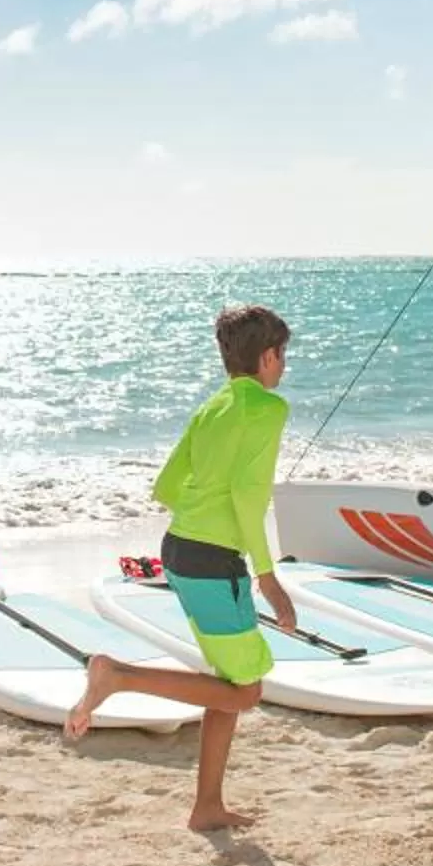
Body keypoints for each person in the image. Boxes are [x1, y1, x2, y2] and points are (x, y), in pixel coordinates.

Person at [66, 304, 293, 831]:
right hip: (214, 561)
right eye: (283, 356)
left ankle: (207, 806)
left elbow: (167, 485)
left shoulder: (211, 408)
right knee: (247, 690)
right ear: (267, 357)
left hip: (180, 549)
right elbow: (248, 494)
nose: (283, 367)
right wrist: (267, 576)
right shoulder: (268, 408)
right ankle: (117, 676)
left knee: (228, 684)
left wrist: (202, 513)